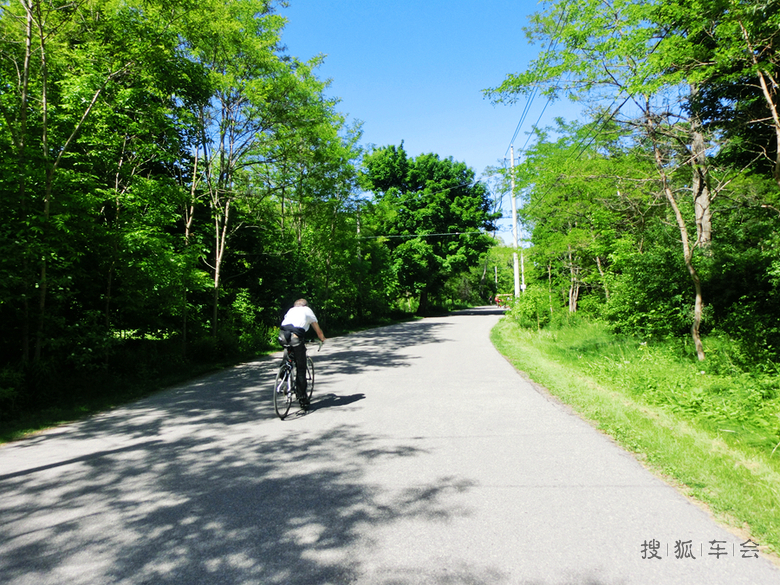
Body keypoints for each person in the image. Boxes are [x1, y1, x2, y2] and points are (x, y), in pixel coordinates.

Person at [279, 299, 326, 408]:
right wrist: (322, 338)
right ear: (305, 305)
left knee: (289, 354)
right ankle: (302, 399)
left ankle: (284, 370)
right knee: (301, 368)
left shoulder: (291, 310)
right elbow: (317, 330)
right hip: (296, 338)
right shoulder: (307, 310)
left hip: (282, 336)